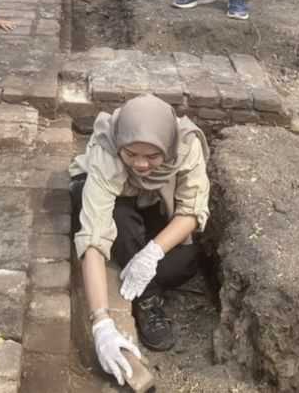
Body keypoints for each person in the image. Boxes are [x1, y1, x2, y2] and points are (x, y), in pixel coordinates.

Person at [69, 94, 211, 386]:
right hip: (115, 202)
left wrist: (153, 252)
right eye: (131, 154)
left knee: (186, 261)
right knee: (120, 223)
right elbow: (94, 239)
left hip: (153, 199)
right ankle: (147, 301)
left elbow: (191, 211)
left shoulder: (185, 145)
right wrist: (101, 323)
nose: (142, 164)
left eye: (152, 155)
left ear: (168, 147)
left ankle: (135, 265)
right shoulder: (108, 150)